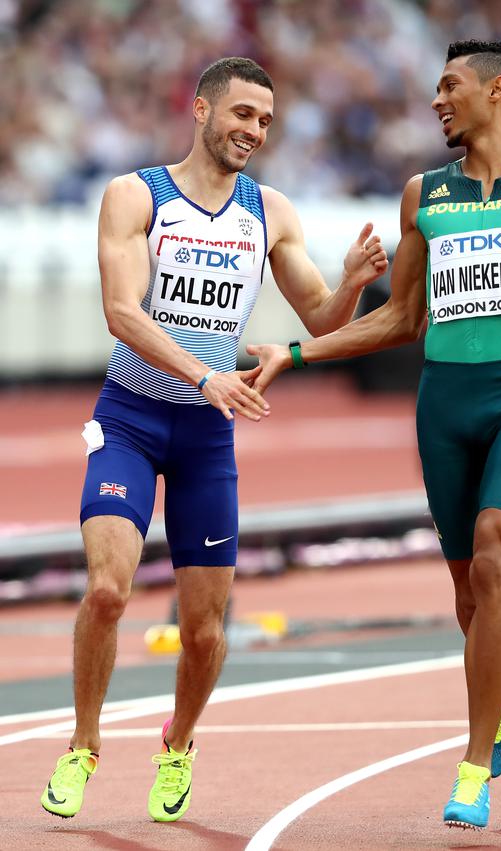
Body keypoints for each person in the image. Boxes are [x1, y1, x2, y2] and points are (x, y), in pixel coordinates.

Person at [249, 40, 501, 831]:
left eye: (449, 86)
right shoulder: (423, 194)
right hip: (443, 406)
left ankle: (470, 765)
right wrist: (296, 351)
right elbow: (401, 317)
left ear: (497, 91)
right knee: (470, 593)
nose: (436, 100)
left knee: (497, 545)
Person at [40, 57, 387, 823]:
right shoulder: (137, 196)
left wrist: (355, 278)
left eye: (265, 120)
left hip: (205, 438)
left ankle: (179, 742)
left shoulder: (271, 212)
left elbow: (323, 317)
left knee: (202, 631)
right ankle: (85, 743)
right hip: (131, 415)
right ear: (201, 111)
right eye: (242, 115)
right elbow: (122, 313)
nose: (254, 131)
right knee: (107, 589)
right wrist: (204, 374)